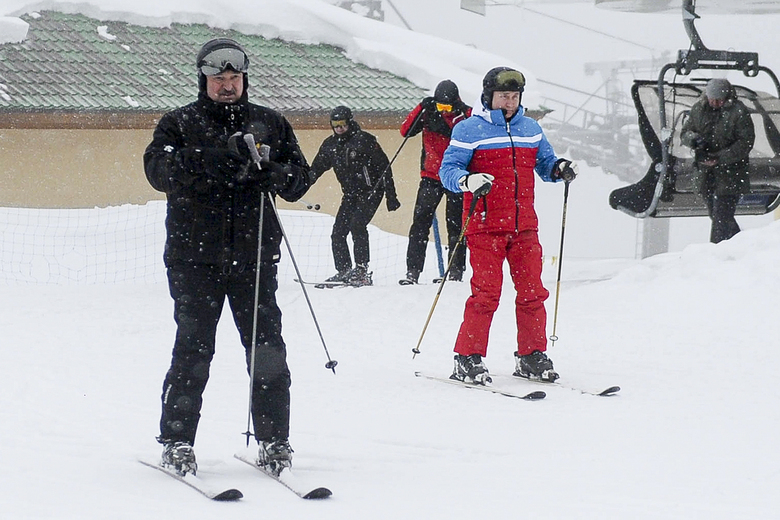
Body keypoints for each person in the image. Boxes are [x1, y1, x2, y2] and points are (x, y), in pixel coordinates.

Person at [143, 37, 312, 476]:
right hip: (194, 258)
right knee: (194, 350)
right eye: (218, 78)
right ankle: (177, 441)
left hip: (255, 258)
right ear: (203, 79)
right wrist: (214, 159)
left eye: (234, 77)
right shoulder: (179, 123)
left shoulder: (270, 123)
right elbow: (158, 171)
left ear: (244, 79)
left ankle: (274, 441)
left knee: (267, 351)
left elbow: (301, 179)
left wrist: (276, 173)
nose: (227, 85)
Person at [439, 67, 578, 385]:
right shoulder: (468, 129)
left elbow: (545, 164)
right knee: (486, 294)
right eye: (504, 96)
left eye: (514, 96)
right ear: (489, 96)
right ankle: (467, 357)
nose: (510, 102)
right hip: (484, 224)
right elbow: (448, 170)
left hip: (524, 225)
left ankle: (531, 355)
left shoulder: (530, 128)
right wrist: (468, 180)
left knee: (532, 292)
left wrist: (560, 169)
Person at [310, 106, 401, 287]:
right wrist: (298, 185)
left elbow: (384, 167)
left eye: (342, 124)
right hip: (350, 194)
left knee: (357, 225)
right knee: (338, 232)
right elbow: (316, 169)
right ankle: (344, 270)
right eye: (335, 125)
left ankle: (361, 270)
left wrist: (391, 196)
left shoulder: (364, 140)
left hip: (371, 191)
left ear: (350, 122)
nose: (339, 128)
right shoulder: (330, 145)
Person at [399, 80, 472, 285]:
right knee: (420, 224)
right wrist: (421, 107)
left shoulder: (466, 115)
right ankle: (412, 271)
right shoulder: (428, 112)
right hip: (430, 177)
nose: (443, 111)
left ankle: (455, 272)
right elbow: (405, 131)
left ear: (455, 102)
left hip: (457, 178)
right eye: (440, 106)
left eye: (447, 107)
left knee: (456, 226)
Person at [680, 78, 755, 243]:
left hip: (731, 174)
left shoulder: (738, 112)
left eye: (719, 100)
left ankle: (715, 250)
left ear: (727, 97)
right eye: (712, 99)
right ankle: (741, 244)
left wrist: (720, 158)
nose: (714, 103)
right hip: (706, 174)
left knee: (721, 218)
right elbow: (685, 132)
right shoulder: (698, 109)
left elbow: (745, 142)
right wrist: (694, 140)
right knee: (717, 215)